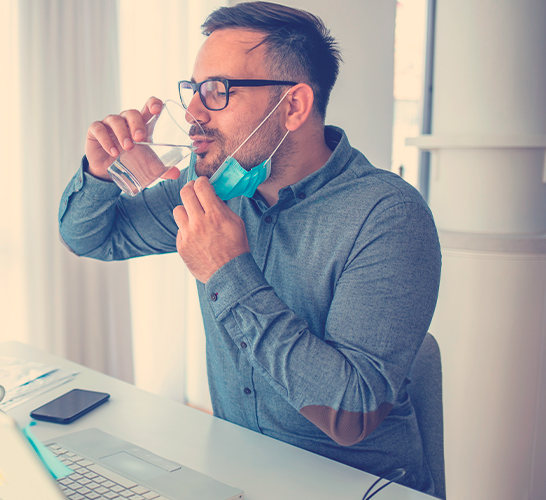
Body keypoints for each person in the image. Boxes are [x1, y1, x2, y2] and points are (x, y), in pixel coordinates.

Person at [58, 1, 441, 496]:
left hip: (353, 485)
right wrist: (100, 171)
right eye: (194, 90)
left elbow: (352, 412)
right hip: (235, 470)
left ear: (294, 107)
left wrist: (226, 271)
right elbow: (89, 236)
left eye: (217, 92)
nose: (193, 112)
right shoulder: (212, 188)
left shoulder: (387, 215)